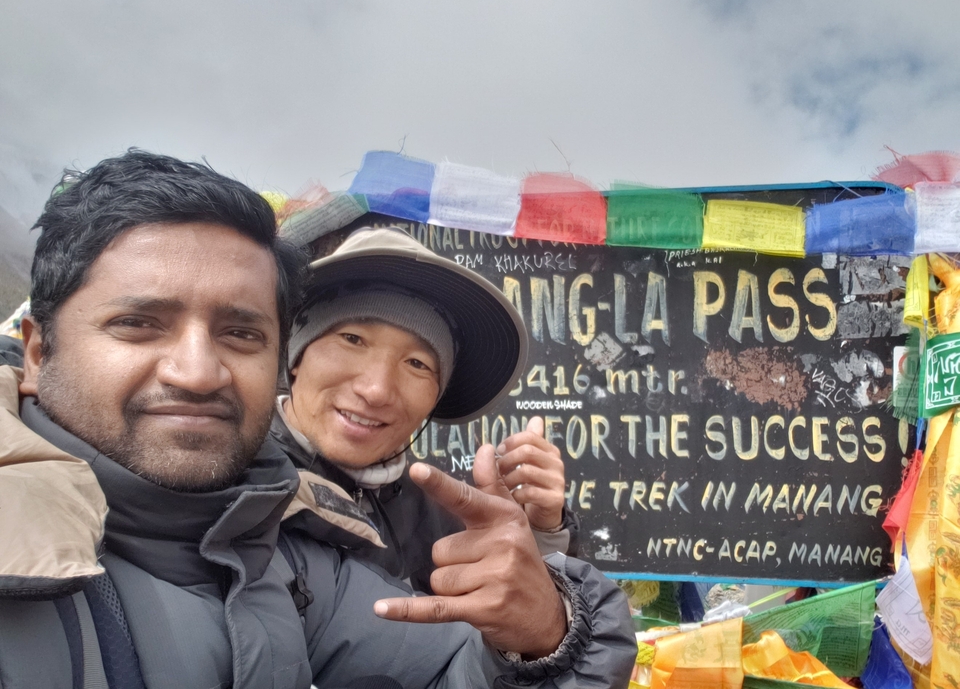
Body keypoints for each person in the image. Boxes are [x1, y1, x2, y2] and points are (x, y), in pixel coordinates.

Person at [0, 150, 637, 689]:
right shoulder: (265, 510)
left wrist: (544, 604)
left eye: (418, 364)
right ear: (37, 352)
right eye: (138, 323)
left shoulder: (272, 544)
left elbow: (459, 660)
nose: (197, 372)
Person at [272, 226, 579, 592]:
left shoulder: (440, 517)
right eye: (352, 339)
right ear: (295, 356)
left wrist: (539, 534)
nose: (376, 390)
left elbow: (512, 616)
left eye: (417, 363)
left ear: (436, 395)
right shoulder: (233, 485)